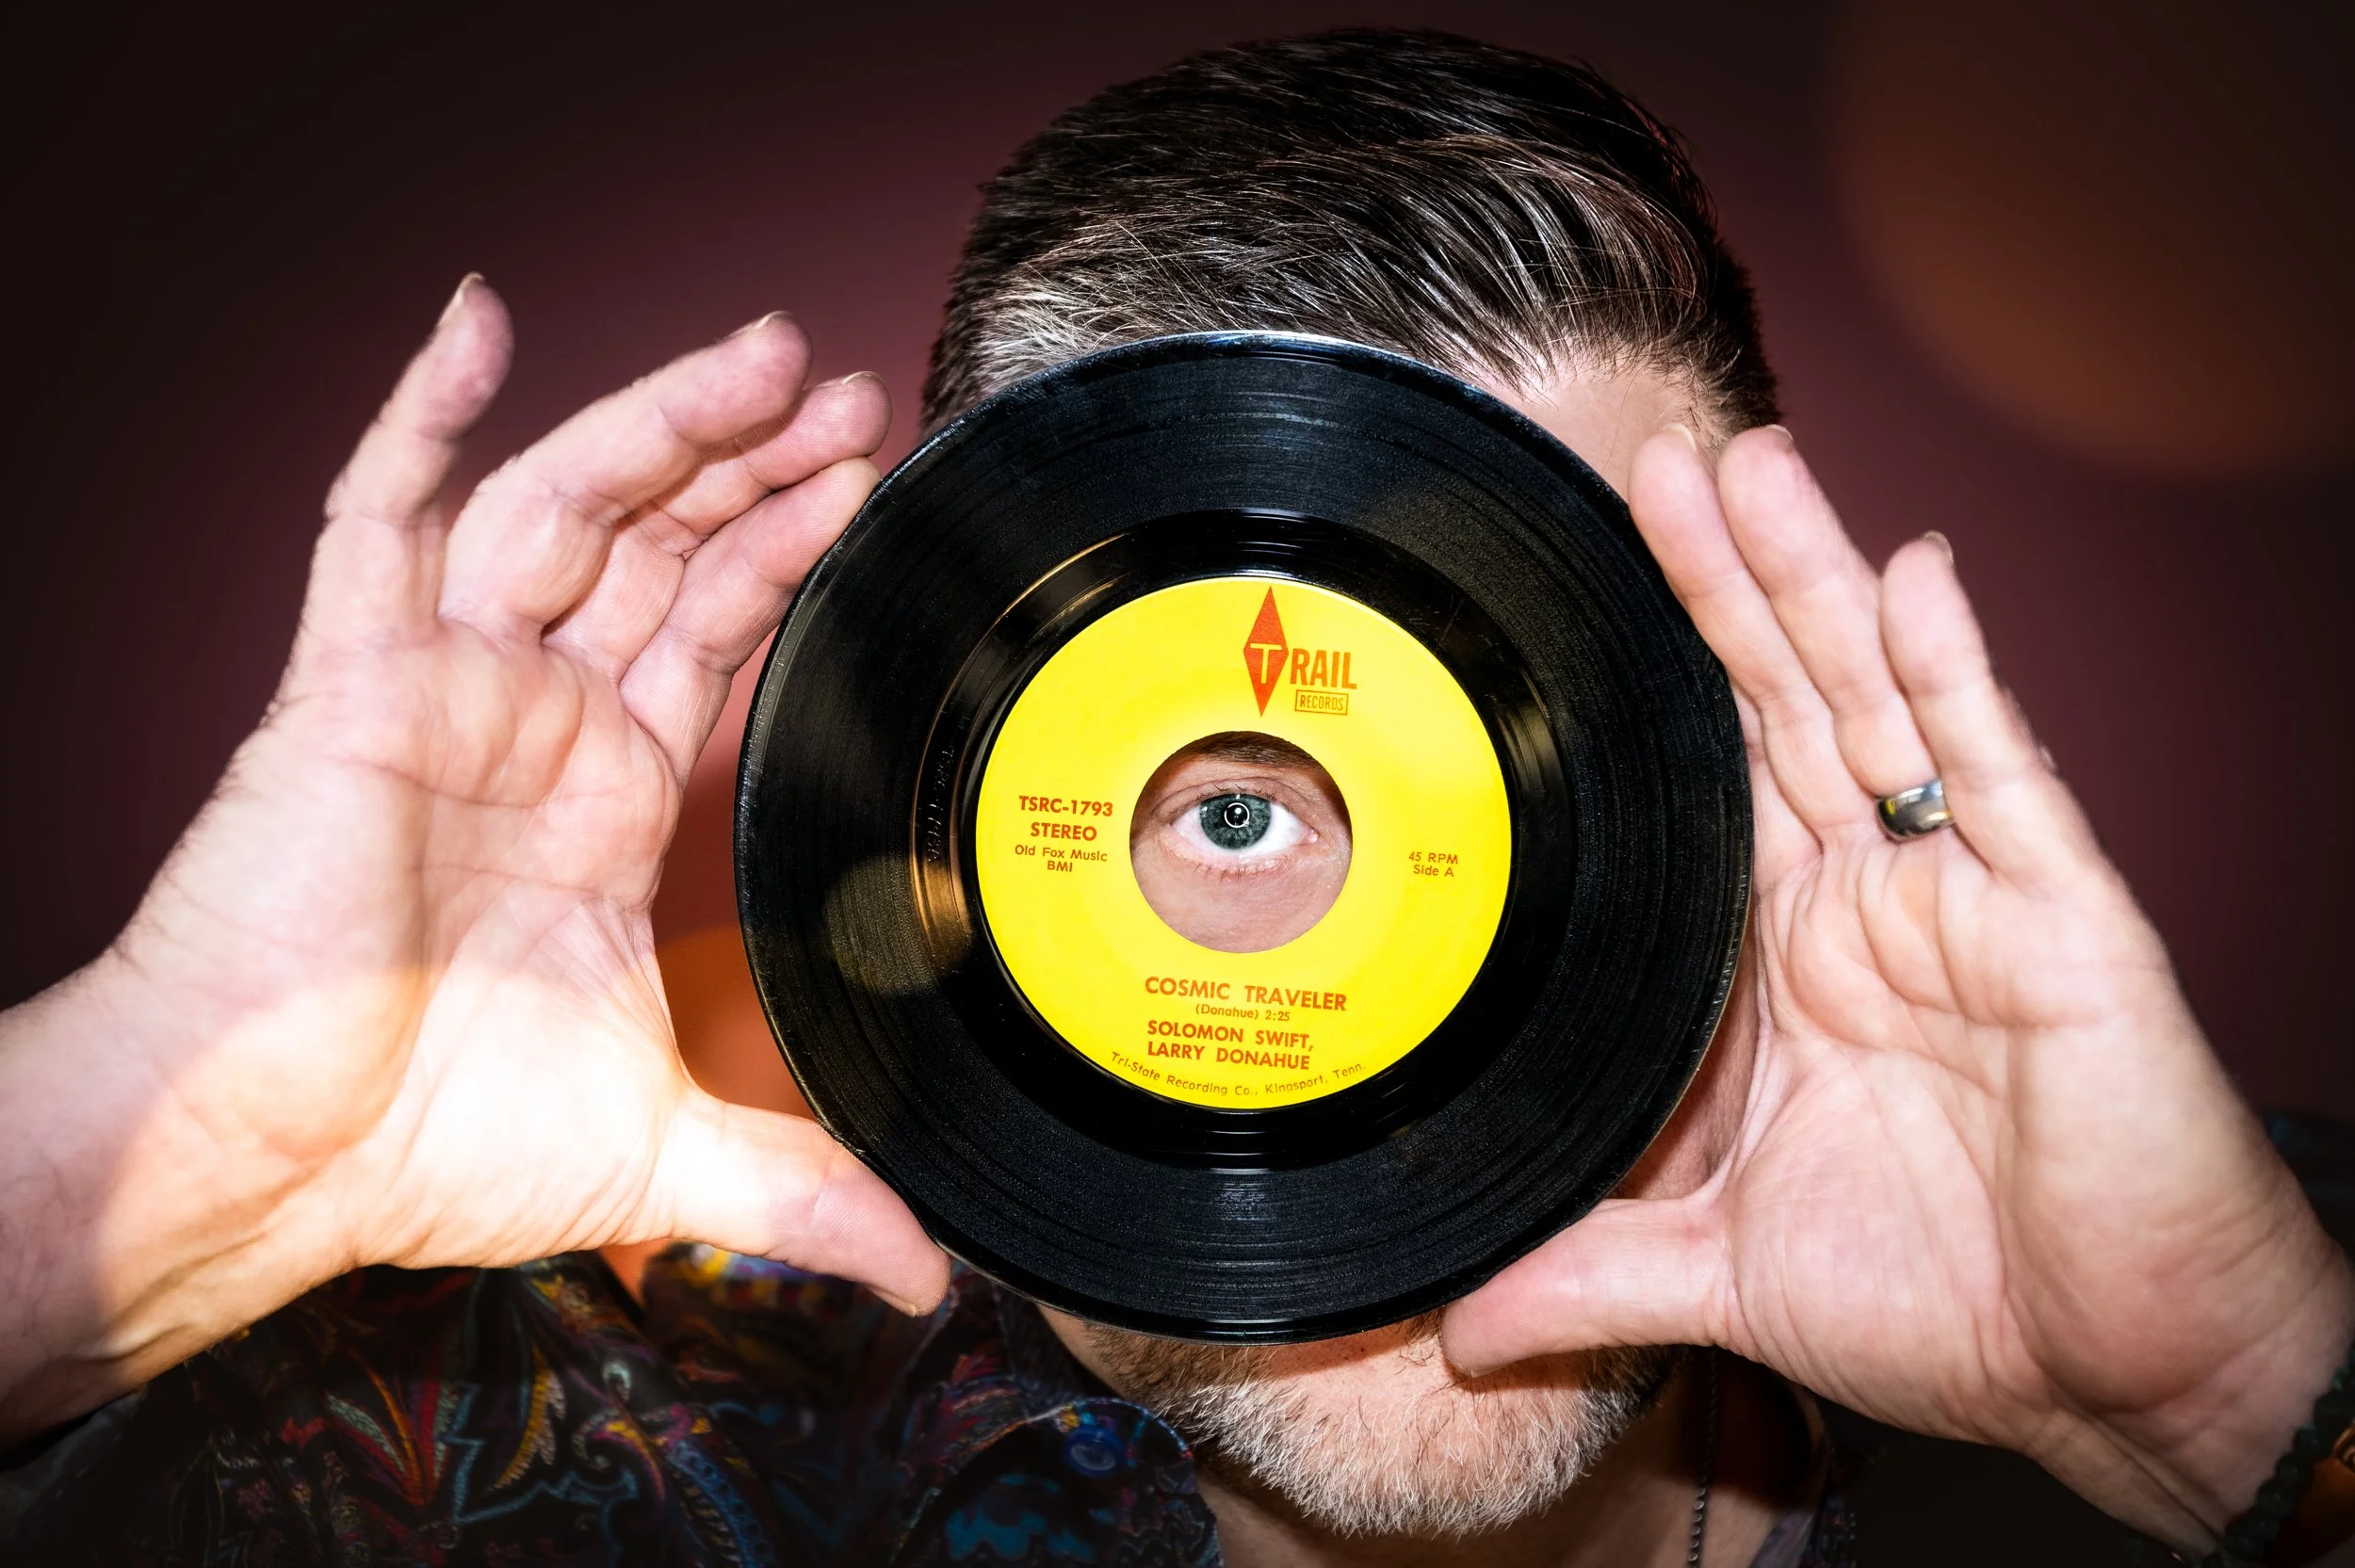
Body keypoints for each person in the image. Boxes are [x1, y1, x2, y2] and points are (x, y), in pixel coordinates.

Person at [2, 28, 2348, 1568]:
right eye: (1231, 809)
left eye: (1562, 765)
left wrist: (2243, 1413)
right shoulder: (543, 1459)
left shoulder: (2239, 1319)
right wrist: (143, 1167)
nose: (1393, 1026)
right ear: (942, 810)